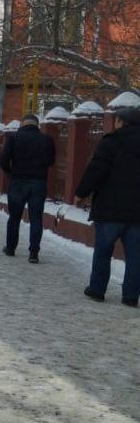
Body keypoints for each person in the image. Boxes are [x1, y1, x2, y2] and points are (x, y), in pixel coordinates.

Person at [74, 106, 140, 307]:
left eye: (117, 121)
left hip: (109, 208)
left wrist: (81, 193)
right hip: (137, 213)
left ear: (121, 122)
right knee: (136, 256)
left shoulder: (111, 142)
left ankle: (97, 289)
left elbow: (96, 170)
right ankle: (130, 296)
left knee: (103, 251)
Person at [0, 113, 56, 263]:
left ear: (22, 124)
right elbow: (51, 161)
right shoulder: (47, 140)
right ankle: (34, 253)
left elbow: (3, 160)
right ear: (37, 125)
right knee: (36, 218)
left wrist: (11, 173)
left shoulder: (14, 138)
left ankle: (10, 248)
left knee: (14, 217)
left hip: (18, 181)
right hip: (38, 183)